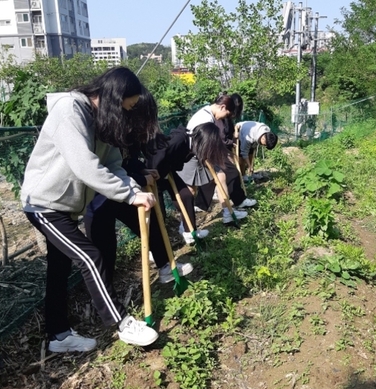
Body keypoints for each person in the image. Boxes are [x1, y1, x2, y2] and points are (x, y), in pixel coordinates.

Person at [20, 66, 159, 353]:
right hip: (43, 204)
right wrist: (128, 196)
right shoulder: (70, 111)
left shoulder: (103, 121)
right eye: (127, 106)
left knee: (60, 269)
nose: (128, 114)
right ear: (113, 96)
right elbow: (84, 166)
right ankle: (122, 323)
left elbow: (113, 166)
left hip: (64, 206)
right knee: (90, 256)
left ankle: (59, 336)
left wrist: (134, 191)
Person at [84, 86, 194, 279]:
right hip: (98, 195)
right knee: (104, 250)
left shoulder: (131, 133)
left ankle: (166, 267)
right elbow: (104, 169)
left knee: (151, 224)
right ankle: (105, 299)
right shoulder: (109, 128)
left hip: (123, 189)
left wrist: (141, 170)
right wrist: (139, 178)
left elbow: (126, 160)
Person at [178, 94, 256, 224]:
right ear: (222, 107)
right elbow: (202, 142)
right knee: (190, 190)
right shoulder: (205, 119)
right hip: (193, 155)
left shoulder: (211, 115)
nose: (225, 118)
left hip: (203, 153)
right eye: (226, 114)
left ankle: (227, 213)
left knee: (221, 177)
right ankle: (185, 226)